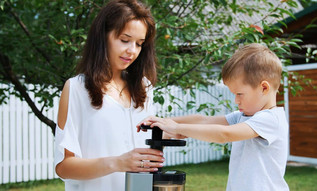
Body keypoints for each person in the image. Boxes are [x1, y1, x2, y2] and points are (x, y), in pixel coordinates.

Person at [138, 43, 290, 191]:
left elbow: (224, 134)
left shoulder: (271, 119)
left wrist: (176, 127)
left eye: (239, 94)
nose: (236, 100)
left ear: (264, 88)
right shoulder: (243, 117)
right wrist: (161, 121)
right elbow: (202, 120)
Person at [54, 1, 165, 190]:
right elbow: (64, 167)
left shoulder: (143, 87)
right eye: (124, 40)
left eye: (139, 44)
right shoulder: (76, 88)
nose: (132, 51)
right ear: (103, 37)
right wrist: (118, 163)